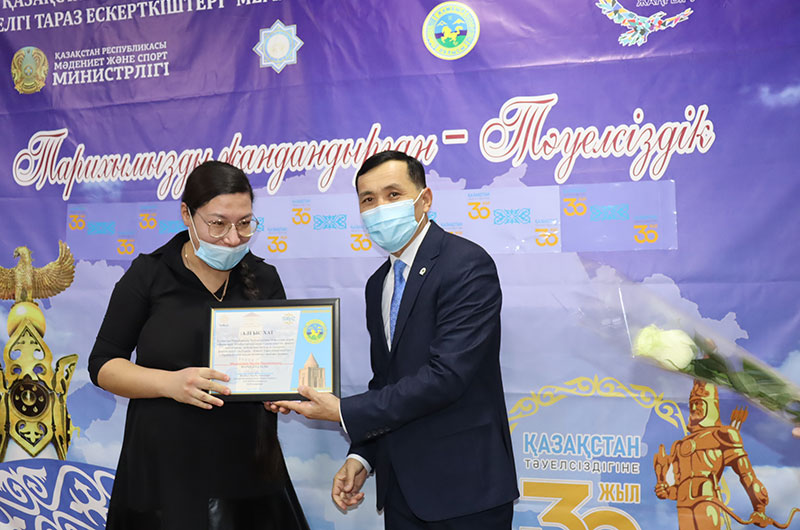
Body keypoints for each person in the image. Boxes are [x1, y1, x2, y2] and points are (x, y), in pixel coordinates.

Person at [272, 150, 519, 529]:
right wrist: (362, 456)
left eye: (393, 194)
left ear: (425, 199)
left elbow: (447, 376)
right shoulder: (379, 284)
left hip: (466, 488)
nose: (380, 208)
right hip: (401, 490)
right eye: (368, 200)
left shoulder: (466, 265)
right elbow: (386, 381)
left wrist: (342, 411)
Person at [88, 161, 309, 530]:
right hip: (163, 467)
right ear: (186, 215)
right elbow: (103, 364)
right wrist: (170, 384)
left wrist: (279, 392)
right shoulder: (149, 274)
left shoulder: (265, 278)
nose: (233, 238)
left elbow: (280, 365)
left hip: (245, 469)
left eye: (245, 223)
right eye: (218, 224)